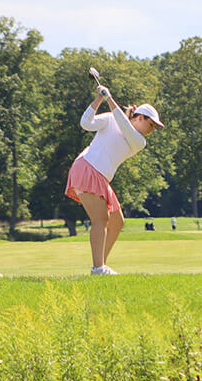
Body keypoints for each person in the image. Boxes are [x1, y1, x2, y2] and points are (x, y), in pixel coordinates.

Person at [65, 83, 163, 275]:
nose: (151, 129)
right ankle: (98, 268)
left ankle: (100, 265)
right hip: (87, 167)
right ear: (140, 117)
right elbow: (86, 123)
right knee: (101, 219)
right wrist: (99, 99)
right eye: (150, 124)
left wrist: (109, 98)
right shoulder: (111, 119)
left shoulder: (139, 141)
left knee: (117, 221)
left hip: (100, 176)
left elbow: (125, 126)